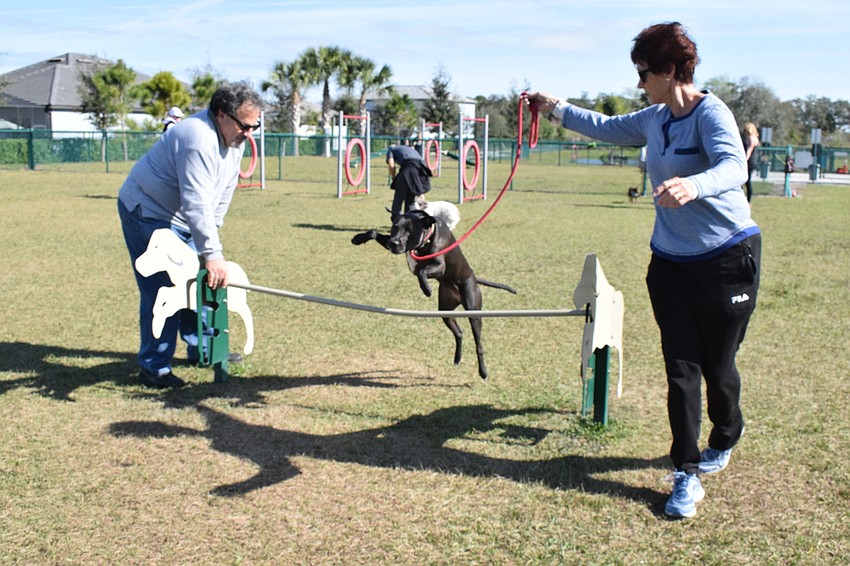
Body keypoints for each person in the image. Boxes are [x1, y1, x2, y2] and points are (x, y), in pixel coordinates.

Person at [527, 21, 761, 519]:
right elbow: (605, 126)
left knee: (719, 366)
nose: (639, 83)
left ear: (672, 69)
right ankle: (686, 472)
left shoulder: (711, 113)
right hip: (671, 262)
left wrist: (693, 186)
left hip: (727, 258)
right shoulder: (655, 117)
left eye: (644, 72)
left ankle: (727, 433)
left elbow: (734, 166)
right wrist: (555, 108)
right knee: (682, 367)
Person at [118, 82, 262, 389]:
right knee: (165, 289)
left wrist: (207, 246)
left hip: (184, 219)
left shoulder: (234, 141)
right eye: (245, 126)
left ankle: (200, 350)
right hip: (148, 211)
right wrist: (212, 254)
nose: (249, 133)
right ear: (221, 115)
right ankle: (154, 367)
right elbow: (196, 201)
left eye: (255, 127)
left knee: (195, 283)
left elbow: (222, 195)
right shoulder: (197, 139)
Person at [386, 138, 432, 214]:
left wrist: (393, 177)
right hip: (422, 168)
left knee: (399, 195)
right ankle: (411, 218)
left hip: (409, 168)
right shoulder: (408, 148)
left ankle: (396, 219)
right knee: (411, 196)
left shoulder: (391, 149)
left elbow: (391, 165)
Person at [742, 122, 760, 202]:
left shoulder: (751, 138)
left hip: (749, 162)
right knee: (746, 181)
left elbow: (749, 150)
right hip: (752, 161)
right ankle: (747, 200)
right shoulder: (754, 137)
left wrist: (744, 161)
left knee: (746, 181)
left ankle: (748, 201)